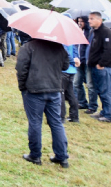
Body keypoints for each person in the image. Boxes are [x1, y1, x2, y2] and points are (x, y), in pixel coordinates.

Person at [16, 38, 71, 168]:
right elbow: (65, 65)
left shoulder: (29, 47)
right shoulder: (59, 47)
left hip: (36, 90)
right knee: (56, 122)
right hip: (53, 88)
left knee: (36, 122)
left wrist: (22, 86)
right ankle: (62, 156)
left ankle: (35, 155)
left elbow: (21, 68)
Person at [85, 12, 111, 123]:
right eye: (89, 19)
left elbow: (109, 50)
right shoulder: (94, 32)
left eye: (92, 19)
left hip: (105, 67)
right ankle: (104, 111)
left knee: (106, 90)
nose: (89, 21)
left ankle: (110, 115)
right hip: (94, 66)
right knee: (100, 90)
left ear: (99, 20)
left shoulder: (106, 32)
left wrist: (101, 64)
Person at [60, 14, 80, 123]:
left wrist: (72, 61)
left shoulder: (62, 35)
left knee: (60, 93)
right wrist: (77, 60)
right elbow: (76, 52)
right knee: (70, 93)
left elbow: (64, 52)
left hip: (64, 69)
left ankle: (61, 117)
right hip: (72, 70)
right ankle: (74, 116)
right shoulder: (73, 34)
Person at [75, 17, 91, 111]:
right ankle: (82, 102)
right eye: (79, 21)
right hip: (78, 61)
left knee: (89, 84)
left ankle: (92, 105)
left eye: (82, 21)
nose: (80, 23)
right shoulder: (77, 31)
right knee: (76, 83)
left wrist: (81, 35)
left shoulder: (90, 33)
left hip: (87, 61)